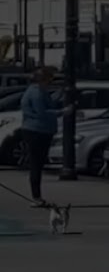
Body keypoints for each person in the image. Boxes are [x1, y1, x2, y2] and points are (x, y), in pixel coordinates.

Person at [18, 67, 63, 207]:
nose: (50, 83)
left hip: (36, 129)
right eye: (49, 79)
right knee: (36, 163)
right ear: (42, 80)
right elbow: (42, 112)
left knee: (37, 163)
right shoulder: (37, 93)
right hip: (37, 130)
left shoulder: (35, 91)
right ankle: (36, 196)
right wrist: (62, 112)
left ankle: (36, 196)